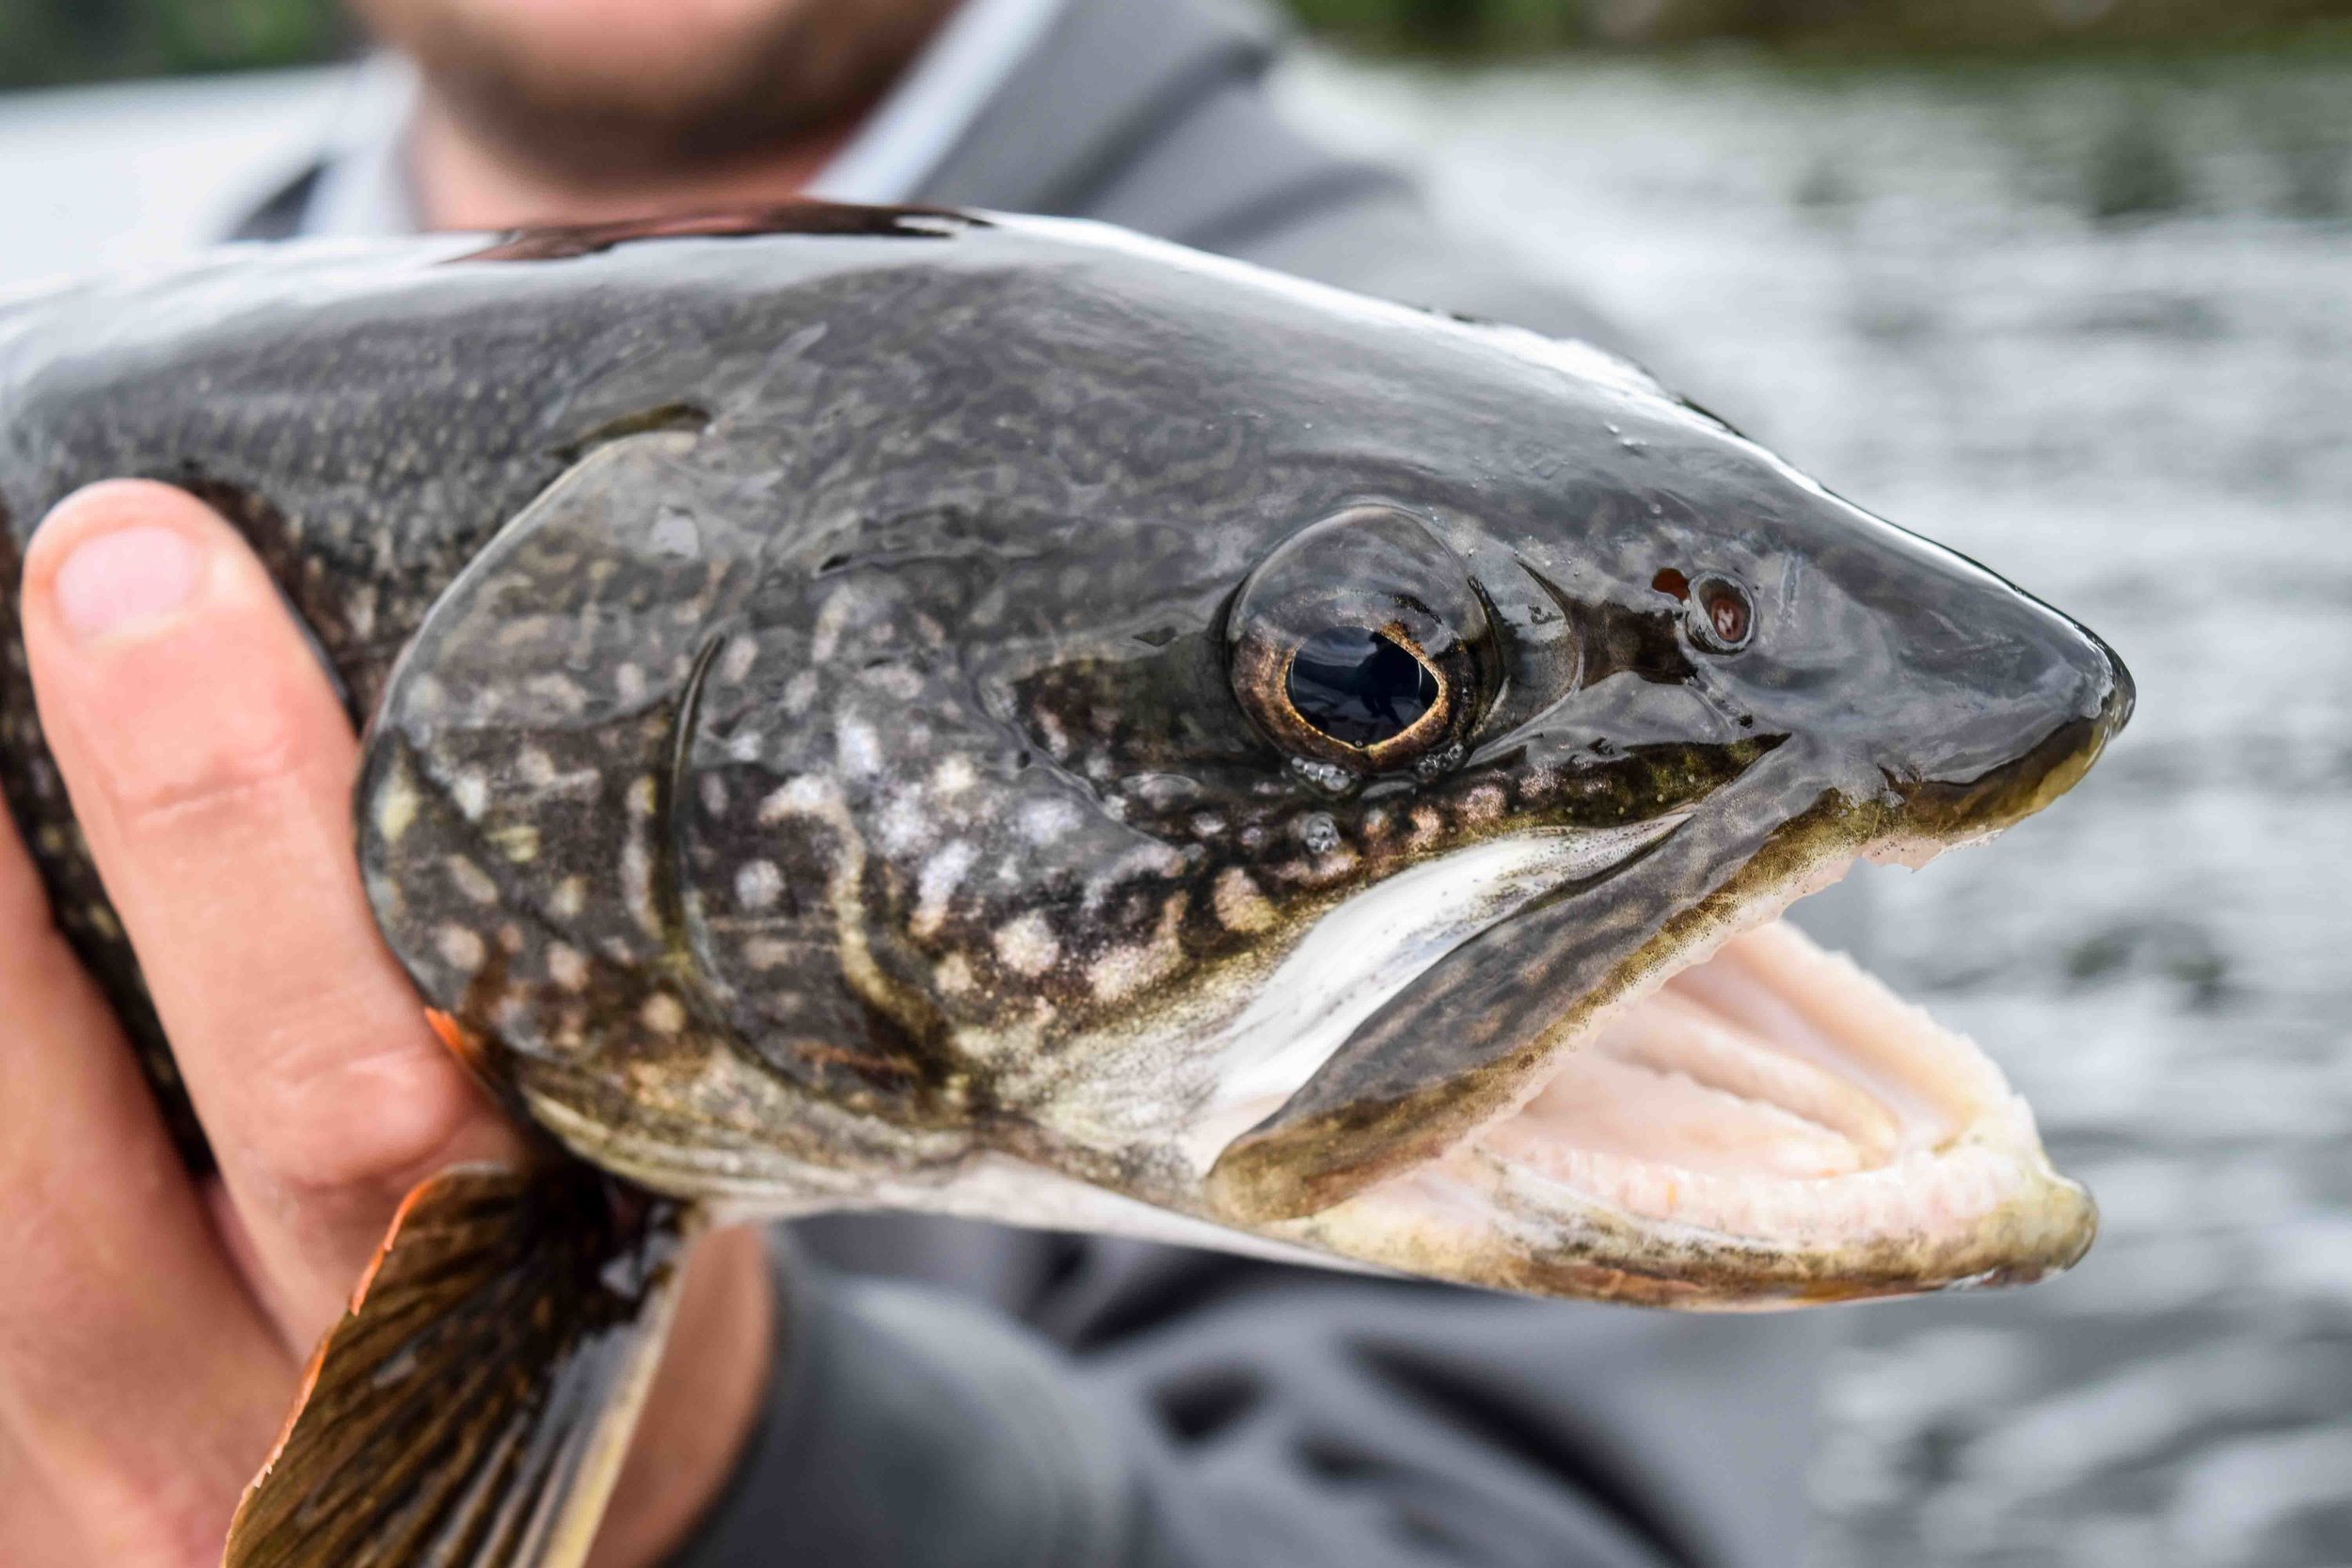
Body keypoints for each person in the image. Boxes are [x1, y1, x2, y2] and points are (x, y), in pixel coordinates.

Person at [0, 0, 1836, 1563]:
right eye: (1362, 669)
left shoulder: (1534, 485)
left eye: (1362, 677)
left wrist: (728, 1484)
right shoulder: (97, 326)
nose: (1366, 673)